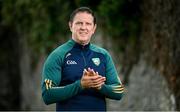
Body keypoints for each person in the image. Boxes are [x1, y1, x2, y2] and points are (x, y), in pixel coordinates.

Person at [41, 7, 124, 111]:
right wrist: (80, 85)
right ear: (70, 26)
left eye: (88, 24)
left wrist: (100, 86)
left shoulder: (103, 55)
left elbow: (119, 91)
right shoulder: (57, 55)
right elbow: (47, 94)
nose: (83, 27)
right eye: (79, 23)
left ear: (94, 28)